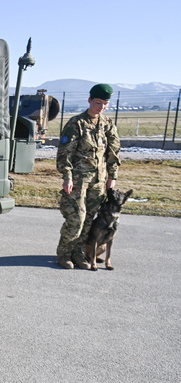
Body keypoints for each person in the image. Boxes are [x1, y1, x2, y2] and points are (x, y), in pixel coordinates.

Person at [56, 83, 121, 270]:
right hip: (78, 181)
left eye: (104, 104)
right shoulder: (76, 124)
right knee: (76, 218)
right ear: (89, 100)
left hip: (99, 181)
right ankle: (64, 254)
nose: (100, 107)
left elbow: (114, 152)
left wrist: (112, 176)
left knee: (90, 219)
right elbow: (64, 153)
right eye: (97, 102)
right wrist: (67, 176)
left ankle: (79, 254)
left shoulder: (107, 124)